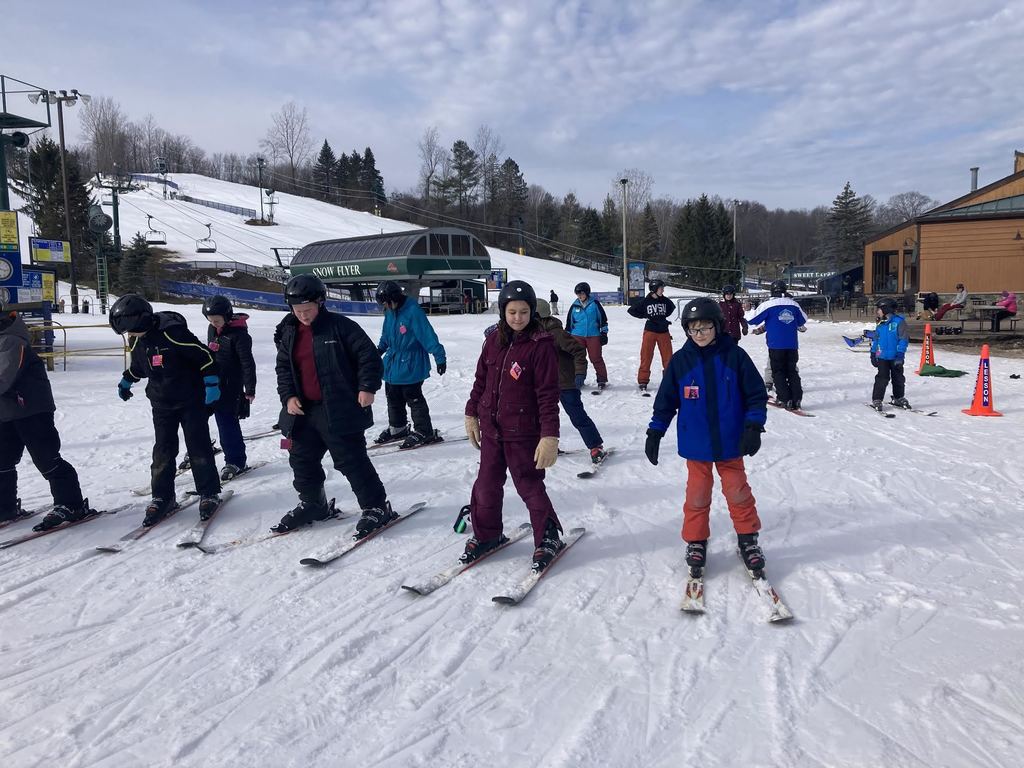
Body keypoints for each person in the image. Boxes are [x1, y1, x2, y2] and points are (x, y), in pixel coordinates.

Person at [644, 297, 769, 577]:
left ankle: (748, 539)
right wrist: (655, 431)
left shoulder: (734, 357)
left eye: (705, 328)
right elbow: (665, 402)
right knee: (697, 495)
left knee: (738, 492)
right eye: (693, 329)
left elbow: (756, 396)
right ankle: (696, 540)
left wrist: (753, 427)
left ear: (718, 326)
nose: (699, 334)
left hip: (731, 441)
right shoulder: (680, 362)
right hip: (697, 444)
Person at [273, 274, 394, 536]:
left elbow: (369, 358)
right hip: (303, 412)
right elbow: (284, 368)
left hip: (339, 407)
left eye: (307, 310)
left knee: (351, 460)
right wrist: (288, 396)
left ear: (320, 303)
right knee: (302, 460)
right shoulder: (289, 332)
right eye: (297, 310)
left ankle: (376, 507)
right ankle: (313, 503)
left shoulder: (341, 327)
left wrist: (367, 387)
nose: (303, 315)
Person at [463, 280, 565, 572]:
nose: (518, 317)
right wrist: (472, 413)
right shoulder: (493, 341)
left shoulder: (540, 346)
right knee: (486, 485)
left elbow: (548, 394)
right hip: (492, 429)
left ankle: (547, 538)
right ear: (503, 312)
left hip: (523, 431)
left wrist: (549, 435)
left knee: (529, 485)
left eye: (523, 312)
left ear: (532, 312)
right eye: (512, 312)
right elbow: (480, 381)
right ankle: (487, 534)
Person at [110, 294, 222, 524]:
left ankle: (208, 493)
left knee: (198, 447)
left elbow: (205, 357)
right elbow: (141, 366)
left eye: (130, 331)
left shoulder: (173, 333)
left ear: (139, 321)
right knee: (163, 450)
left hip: (190, 400)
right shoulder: (137, 340)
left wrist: (212, 383)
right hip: (161, 403)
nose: (129, 337)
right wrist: (127, 380)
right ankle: (162, 497)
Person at [0, 300, 94, 529]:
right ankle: (5, 506)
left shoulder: (12, 341)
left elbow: (4, 377)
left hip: (32, 409)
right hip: (6, 412)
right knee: (2, 460)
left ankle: (70, 503)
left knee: (46, 457)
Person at [373, 280, 447, 449]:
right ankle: (398, 427)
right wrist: (379, 350)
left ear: (395, 298)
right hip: (394, 362)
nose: (384, 306)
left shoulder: (413, 311)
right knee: (392, 394)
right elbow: (386, 335)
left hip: (412, 362)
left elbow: (427, 335)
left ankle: (424, 430)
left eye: (385, 302)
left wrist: (439, 357)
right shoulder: (390, 312)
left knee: (412, 396)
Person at [535, 298, 608, 465]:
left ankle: (596, 446)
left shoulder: (556, 333)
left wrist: (579, 373)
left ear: (540, 316)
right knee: (542, 416)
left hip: (565, 382)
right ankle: (547, 445)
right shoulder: (535, 333)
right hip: (544, 384)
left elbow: (578, 350)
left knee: (577, 416)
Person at [202, 295, 256, 480]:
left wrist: (249, 389)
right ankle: (202, 448)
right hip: (212, 382)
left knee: (226, 422)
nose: (214, 324)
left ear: (227, 316)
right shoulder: (212, 329)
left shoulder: (240, 336)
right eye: (210, 320)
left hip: (231, 386)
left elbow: (248, 363)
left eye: (217, 320)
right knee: (196, 416)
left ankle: (235, 461)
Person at [748, 280, 808, 410]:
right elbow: (803, 319)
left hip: (776, 345)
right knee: (792, 371)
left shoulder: (768, 305)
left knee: (778, 372)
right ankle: (796, 399)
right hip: (792, 345)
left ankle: (784, 399)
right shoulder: (794, 304)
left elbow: (752, 319)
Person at [627, 279, 675, 394]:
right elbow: (631, 310)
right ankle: (643, 380)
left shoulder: (665, 300)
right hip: (650, 331)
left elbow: (671, 308)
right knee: (646, 355)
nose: (662, 290)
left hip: (664, 331)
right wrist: (646, 315)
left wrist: (661, 318)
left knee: (668, 357)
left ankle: (669, 380)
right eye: (660, 288)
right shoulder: (646, 301)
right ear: (654, 289)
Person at [565, 282, 610, 390]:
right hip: (577, 335)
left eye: (581, 293)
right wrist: (566, 336)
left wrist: (604, 333)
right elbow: (569, 323)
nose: (579, 296)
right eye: (577, 294)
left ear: (587, 293)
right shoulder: (575, 305)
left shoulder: (595, 304)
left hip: (593, 335)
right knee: (577, 358)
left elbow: (603, 320)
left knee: (595, 358)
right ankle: (578, 379)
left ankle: (602, 379)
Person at [870, 297, 910, 411]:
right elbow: (876, 340)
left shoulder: (899, 322)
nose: (877, 311)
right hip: (882, 357)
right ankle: (877, 399)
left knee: (898, 378)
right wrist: (873, 353)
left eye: (879, 309)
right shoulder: (880, 324)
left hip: (895, 357)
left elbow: (903, 339)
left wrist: (900, 355)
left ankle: (898, 397)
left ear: (886, 309)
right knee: (882, 378)